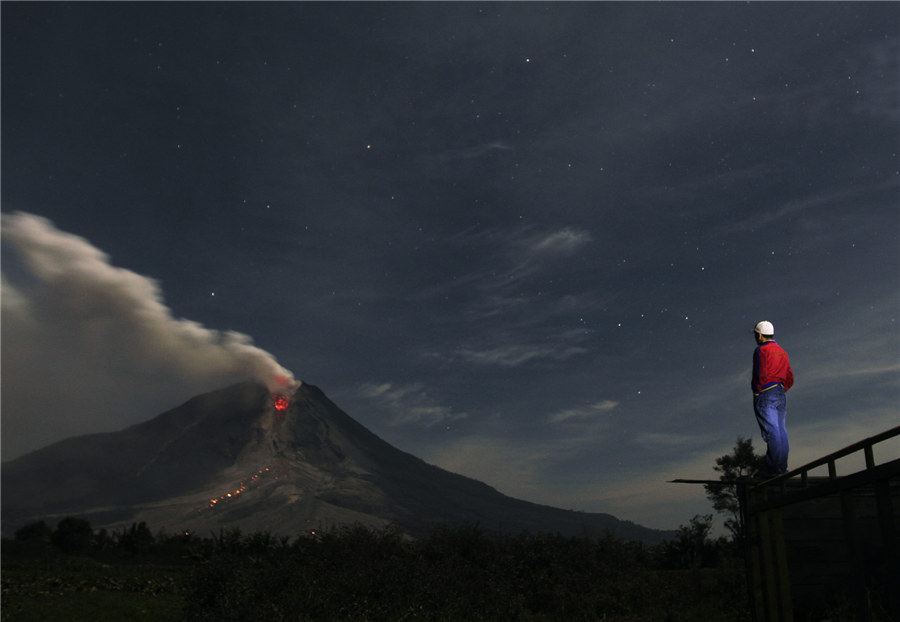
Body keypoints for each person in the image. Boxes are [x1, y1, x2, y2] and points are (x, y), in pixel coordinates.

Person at [750, 320, 794, 477]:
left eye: (756, 335)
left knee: (772, 430)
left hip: (766, 392)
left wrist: (757, 392)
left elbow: (760, 373)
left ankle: (773, 470)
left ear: (760, 335)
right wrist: (781, 389)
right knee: (781, 430)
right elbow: (790, 377)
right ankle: (781, 467)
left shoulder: (761, 350)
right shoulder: (782, 351)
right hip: (780, 392)